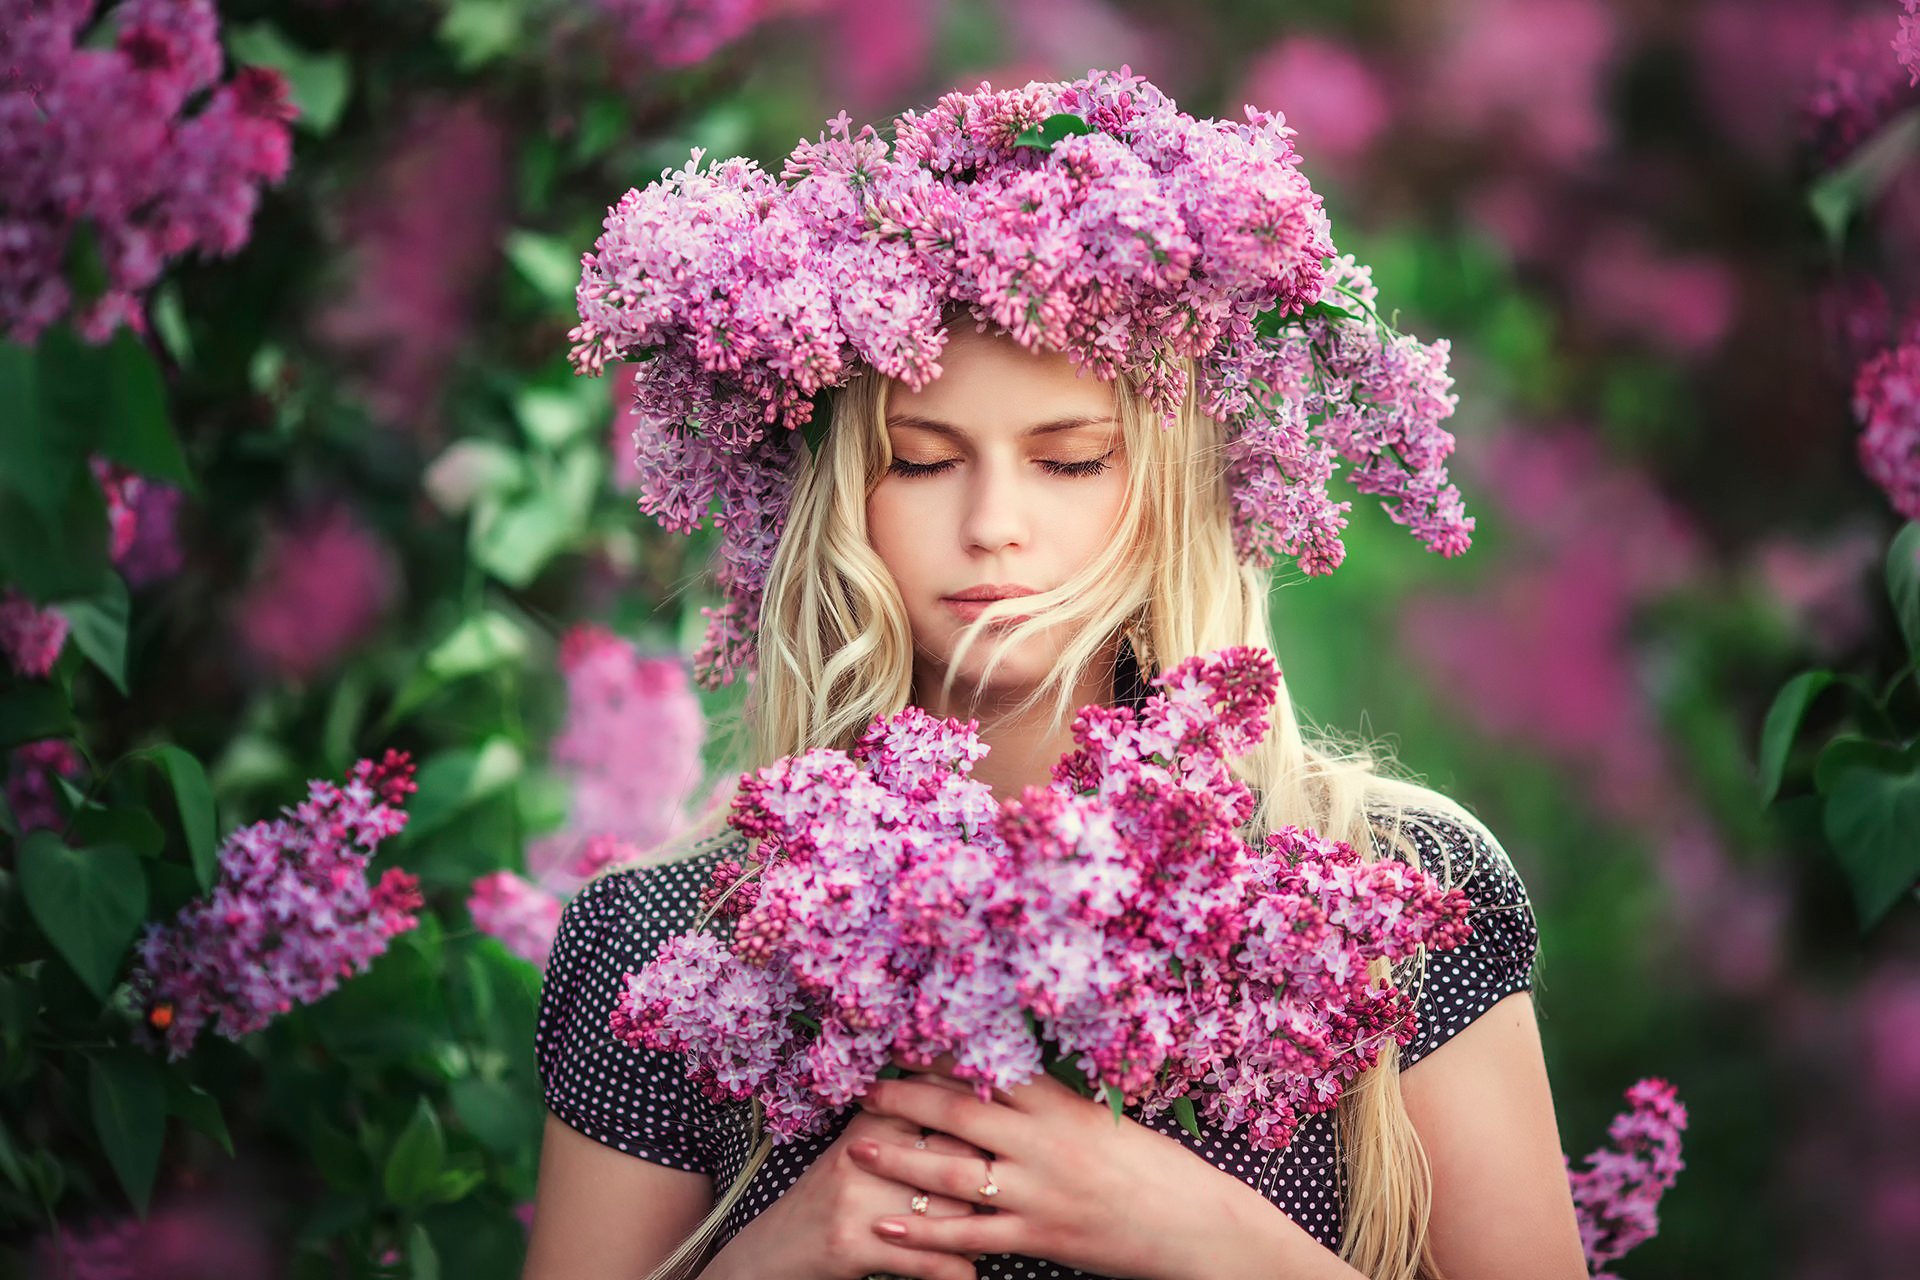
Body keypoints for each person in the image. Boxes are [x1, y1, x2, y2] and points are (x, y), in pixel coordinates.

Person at [526, 70, 1589, 1280]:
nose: (993, 525)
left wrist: (1211, 1237)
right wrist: (763, 1260)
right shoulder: (675, 947)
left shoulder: (1386, 897)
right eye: (922, 463)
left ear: (1172, 490)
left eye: (1070, 461)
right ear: (839, 501)